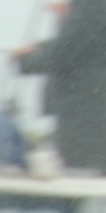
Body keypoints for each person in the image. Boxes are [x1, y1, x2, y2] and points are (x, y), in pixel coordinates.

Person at [15, 0, 106, 172]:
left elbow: (68, 51)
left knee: (83, 170)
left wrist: (27, 59)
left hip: (88, 106)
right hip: (90, 104)